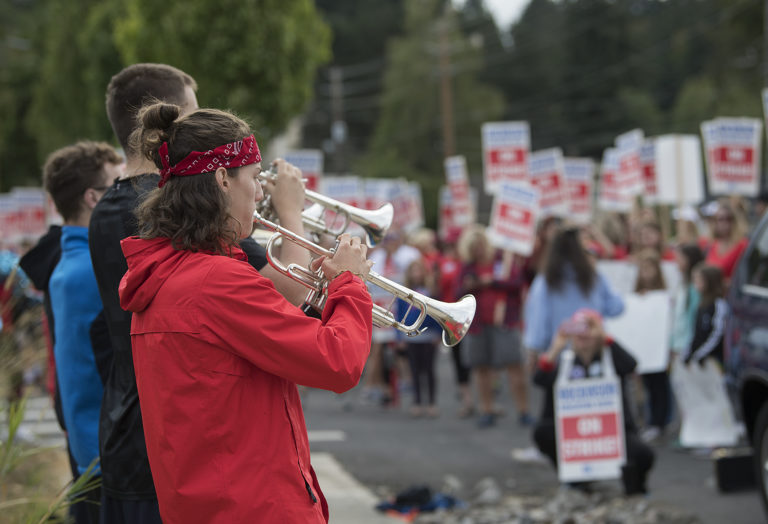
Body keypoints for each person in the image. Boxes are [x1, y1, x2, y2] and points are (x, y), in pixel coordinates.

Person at [118, 102, 373, 523]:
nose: (259, 194)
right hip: (257, 508)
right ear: (221, 179)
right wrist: (350, 283)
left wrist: (315, 291)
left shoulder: (167, 277)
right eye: (254, 179)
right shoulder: (216, 282)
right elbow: (338, 362)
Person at [90, 63, 310, 523]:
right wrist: (291, 214)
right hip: (187, 446)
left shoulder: (109, 207)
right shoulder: (178, 213)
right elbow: (290, 291)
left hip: (133, 429)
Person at [44, 141, 123, 524]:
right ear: (94, 198)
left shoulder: (69, 262)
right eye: (118, 184)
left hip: (91, 456)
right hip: (106, 463)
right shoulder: (91, 269)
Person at [532, 309, 655, 496]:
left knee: (643, 453)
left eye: (589, 328)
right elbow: (539, 379)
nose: (584, 335)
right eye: (579, 330)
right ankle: (576, 481)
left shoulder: (610, 357)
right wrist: (556, 347)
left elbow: (631, 365)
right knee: (542, 432)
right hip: (576, 434)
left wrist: (605, 337)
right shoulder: (567, 362)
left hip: (612, 432)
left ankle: (635, 488)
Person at [458, 225, 531, 428]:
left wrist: (491, 282)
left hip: (504, 322)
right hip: (478, 325)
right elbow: (458, 292)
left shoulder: (503, 262)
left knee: (514, 365)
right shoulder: (467, 268)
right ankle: (486, 409)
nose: (478, 250)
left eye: (480, 245)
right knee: (481, 368)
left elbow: (516, 284)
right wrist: (471, 285)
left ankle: (523, 410)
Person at [523, 227, 625, 355]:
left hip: (559, 356)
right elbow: (616, 307)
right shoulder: (594, 277)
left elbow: (537, 334)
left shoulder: (545, 282)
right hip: (593, 355)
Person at [632, 251, 672, 443]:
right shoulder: (636, 294)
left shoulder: (664, 294)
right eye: (643, 269)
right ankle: (650, 420)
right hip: (644, 349)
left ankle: (660, 422)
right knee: (647, 386)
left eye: (649, 269)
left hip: (658, 349)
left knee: (660, 386)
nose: (646, 273)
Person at [398, 258, 441, 417]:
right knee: (414, 371)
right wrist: (400, 335)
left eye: (419, 270)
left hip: (428, 335)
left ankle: (431, 402)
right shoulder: (405, 291)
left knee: (429, 370)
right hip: (411, 337)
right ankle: (417, 402)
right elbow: (400, 313)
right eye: (413, 271)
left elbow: (437, 314)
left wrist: (437, 332)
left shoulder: (432, 290)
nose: (416, 274)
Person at [683, 264, 728, 367]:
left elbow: (717, 333)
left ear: (710, 282)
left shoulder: (718, 304)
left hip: (712, 360)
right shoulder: (702, 303)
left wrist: (701, 354)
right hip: (698, 358)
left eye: (699, 281)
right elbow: (696, 333)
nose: (696, 285)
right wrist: (689, 352)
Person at [705, 200, 749, 283]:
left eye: (729, 219)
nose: (725, 223)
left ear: (735, 221)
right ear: (715, 222)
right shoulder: (712, 244)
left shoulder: (743, 245)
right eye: (720, 219)